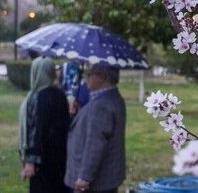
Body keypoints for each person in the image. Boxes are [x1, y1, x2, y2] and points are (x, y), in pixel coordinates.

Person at [65, 64, 126, 193]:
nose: (87, 77)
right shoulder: (112, 98)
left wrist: (84, 178)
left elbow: (95, 144)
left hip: (97, 184)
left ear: (102, 77)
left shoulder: (101, 105)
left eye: (90, 74)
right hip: (106, 179)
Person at [18, 56, 70, 193]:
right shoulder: (60, 95)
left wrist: (31, 161)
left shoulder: (37, 98)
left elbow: (36, 130)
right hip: (61, 157)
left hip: (43, 161)